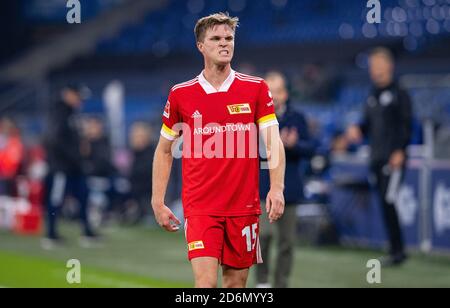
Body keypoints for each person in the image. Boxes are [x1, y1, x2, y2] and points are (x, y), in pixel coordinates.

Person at [151, 12, 286, 288]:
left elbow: (274, 141)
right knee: (205, 285)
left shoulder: (256, 88)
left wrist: (277, 187)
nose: (224, 43)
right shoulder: (181, 94)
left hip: (244, 207)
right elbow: (165, 150)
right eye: (216, 38)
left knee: (236, 285)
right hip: (201, 207)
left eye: (229, 38)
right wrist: (157, 200)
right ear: (201, 46)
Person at [346, 47, 412, 266]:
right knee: (384, 202)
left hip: (393, 159)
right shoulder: (372, 94)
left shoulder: (399, 93)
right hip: (376, 158)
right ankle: (395, 249)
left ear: (389, 66)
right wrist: (357, 130)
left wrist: (400, 150)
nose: (374, 70)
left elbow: (406, 124)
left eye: (377, 65)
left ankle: (398, 250)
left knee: (389, 200)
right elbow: (366, 125)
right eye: (372, 66)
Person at [256, 72, 316, 288]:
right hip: (262, 187)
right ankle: (262, 282)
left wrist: (293, 145)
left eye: (277, 91)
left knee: (287, 242)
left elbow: (311, 149)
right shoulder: (253, 117)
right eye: (268, 91)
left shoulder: (297, 118)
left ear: (286, 93)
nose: (273, 96)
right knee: (262, 236)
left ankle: (281, 283)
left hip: (289, 188)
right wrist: (273, 144)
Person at [42, 84, 97, 249]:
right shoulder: (59, 112)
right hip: (61, 167)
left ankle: (87, 231)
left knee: (83, 196)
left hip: (74, 166)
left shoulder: (71, 113)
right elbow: (54, 140)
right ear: (69, 94)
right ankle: (50, 234)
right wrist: (74, 154)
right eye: (78, 96)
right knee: (56, 200)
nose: (80, 100)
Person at [125, 121, 155, 224]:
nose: (135, 139)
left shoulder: (152, 153)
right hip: (135, 192)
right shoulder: (134, 153)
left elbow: (143, 175)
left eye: (139, 136)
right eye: (134, 136)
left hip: (147, 193)